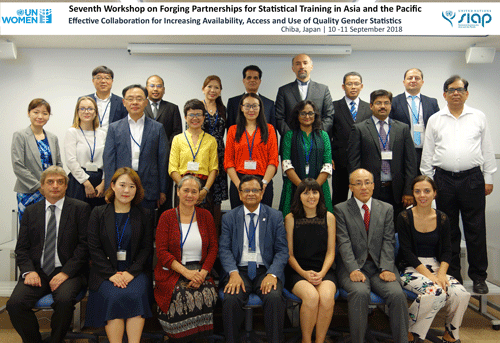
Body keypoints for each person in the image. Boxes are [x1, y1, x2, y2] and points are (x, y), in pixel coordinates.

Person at [420, 75, 497, 294]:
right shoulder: (435, 119)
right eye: (451, 90)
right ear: (444, 94)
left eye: (460, 89)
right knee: (448, 230)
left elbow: (487, 148)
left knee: (475, 229)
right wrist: (428, 184)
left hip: (472, 179)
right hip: (442, 179)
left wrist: (488, 178)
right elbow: (428, 153)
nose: (456, 93)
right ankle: (453, 275)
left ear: (466, 93)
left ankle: (479, 276)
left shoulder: (478, 117)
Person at [7, 166, 90, 343]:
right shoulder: (31, 212)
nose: (55, 186)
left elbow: (84, 247)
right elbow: (21, 248)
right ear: (42, 187)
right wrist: (29, 272)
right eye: (50, 182)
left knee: (64, 300)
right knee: (14, 305)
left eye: (60, 182)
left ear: (66, 186)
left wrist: (65, 273)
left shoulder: (80, 209)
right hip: (37, 272)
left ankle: (56, 340)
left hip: (68, 272)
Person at [334, 168, 409, 343]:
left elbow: (389, 241)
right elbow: (343, 243)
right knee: (359, 293)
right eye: (358, 183)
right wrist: (353, 269)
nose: (364, 187)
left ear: (374, 186)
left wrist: (386, 267)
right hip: (352, 267)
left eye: (368, 182)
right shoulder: (341, 210)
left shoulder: (386, 209)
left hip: (379, 267)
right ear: (350, 187)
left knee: (397, 294)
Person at [397, 175, 470, 343]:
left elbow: (447, 251)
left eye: (427, 191)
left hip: (437, 267)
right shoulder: (404, 217)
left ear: (435, 193)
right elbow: (407, 252)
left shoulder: (442, 218)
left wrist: (442, 274)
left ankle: (450, 334)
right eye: (417, 191)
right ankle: (409, 332)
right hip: (411, 268)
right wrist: (431, 277)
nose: (422, 195)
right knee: (435, 292)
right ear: (413, 194)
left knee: (461, 294)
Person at [85, 167, 153, 343]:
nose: (126, 190)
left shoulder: (144, 214)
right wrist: (112, 275)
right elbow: (94, 249)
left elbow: (146, 249)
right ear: (113, 186)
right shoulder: (98, 213)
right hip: (105, 273)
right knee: (114, 296)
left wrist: (131, 273)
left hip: (134, 272)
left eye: (132, 186)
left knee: (136, 294)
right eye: (122, 185)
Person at [219, 175, 289, 343]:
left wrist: (272, 274)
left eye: (255, 190)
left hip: (265, 270)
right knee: (231, 298)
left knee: (273, 297)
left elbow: (282, 251)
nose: (251, 194)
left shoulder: (275, 216)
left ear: (262, 193)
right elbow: (224, 249)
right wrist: (233, 273)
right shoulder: (229, 217)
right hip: (239, 270)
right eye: (246, 190)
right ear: (240, 194)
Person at [154, 175, 218, 342]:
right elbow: (161, 252)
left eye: (194, 191)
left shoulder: (206, 216)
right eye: (186, 190)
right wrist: (186, 273)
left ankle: (200, 339)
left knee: (206, 293)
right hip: (173, 270)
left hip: (200, 269)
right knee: (180, 295)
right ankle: (177, 338)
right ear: (178, 191)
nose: (190, 195)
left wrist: (203, 273)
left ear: (199, 195)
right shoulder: (167, 217)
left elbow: (213, 249)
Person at [348, 89, 417, 218]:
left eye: (386, 103)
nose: (383, 106)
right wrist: (357, 187)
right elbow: (353, 162)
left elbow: (410, 162)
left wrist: (409, 190)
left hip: (397, 190)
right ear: (371, 106)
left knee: (396, 228)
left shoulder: (402, 128)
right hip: (369, 189)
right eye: (378, 103)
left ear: (391, 105)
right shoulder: (359, 129)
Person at [285, 179, 336, 343]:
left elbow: (330, 252)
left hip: (324, 270)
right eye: (305, 192)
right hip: (298, 271)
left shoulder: (329, 217)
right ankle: (306, 340)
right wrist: (304, 274)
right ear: (299, 196)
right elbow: (289, 255)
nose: (311, 196)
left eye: (314, 192)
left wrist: (321, 273)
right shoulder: (290, 218)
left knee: (327, 297)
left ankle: (319, 341)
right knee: (312, 297)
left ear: (320, 195)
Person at [103, 84, 168, 211]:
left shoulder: (157, 128)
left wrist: (162, 190)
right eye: (130, 98)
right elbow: (109, 160)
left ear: (146, 102)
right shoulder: (114, 128)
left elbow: (163, 161)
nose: (134, 102)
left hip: (149, 187)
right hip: (121, 187)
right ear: (124, 102)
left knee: (146, 227)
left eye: (139, 98)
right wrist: (109, 189)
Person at [11, 98, 63, 222]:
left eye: (45, 113)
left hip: (51, 190)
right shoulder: (20, 135)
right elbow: (17, 165)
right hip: (28, 191)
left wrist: (57, 184)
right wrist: (39, 186)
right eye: (36, 112)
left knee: (49, 226)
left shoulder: (52, 137)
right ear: (29, 113)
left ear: (48, 116)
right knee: (29, 228)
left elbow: (58, 164)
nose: (40, 116)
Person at [279, 100, 333, 217]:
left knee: (322, 222)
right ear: (297, 115)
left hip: (320, 186)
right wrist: (303, 188)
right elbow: (286, 164)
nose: (307, 116)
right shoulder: (289, 135)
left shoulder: (323, 135)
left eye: (310, 113)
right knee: (291, 222)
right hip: (294, 186)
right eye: (303, 113)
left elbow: (327, 164)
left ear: (315, 115)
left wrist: (314, 189)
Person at [225, 93, 279, 209]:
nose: (251, 109)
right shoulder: (233, 130)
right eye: (247, 106)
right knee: (239, 219)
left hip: (263, 180)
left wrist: (264, 184)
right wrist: (239, 185)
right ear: (241, 108)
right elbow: (229, 161)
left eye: (255, 106)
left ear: (260, 108)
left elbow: (273, 160)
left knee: (263, 219)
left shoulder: (269, 129)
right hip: (238, 180)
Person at [169, 99, 218, 218]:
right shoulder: (178, 139)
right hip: (182, 185)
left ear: (203, 117)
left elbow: (214, 169)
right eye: (191, 115)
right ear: (185, 117)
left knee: (203, 222)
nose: (195, 118)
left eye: (198, 115)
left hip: (203, 187)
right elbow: (172, 168)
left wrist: (205, 190)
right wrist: (184, 188)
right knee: (181, 221)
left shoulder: (211, 140)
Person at [330, 72, 372, 206]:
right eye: (349, 84)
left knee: (361, 199)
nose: (353, 87)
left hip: (363, 161)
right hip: (339, 161)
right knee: (339, 198)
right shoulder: (333, 106)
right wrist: (329, 156)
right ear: (343, 86)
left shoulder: (369, 108)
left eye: (356, 84)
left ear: (361, 86)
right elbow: (327, 134)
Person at [144, 74, 183, 210]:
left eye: (159, 86)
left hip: (165, 158)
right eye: (152, 85)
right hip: (145, 156)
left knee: (164, 197)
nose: (156, 89)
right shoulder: (140, 108)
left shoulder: (172, 108)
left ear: (164, 89)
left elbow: (177, 132)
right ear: (146, 88)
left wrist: (164, 147)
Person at [390, 68, 440, 171]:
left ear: (422, 82)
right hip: (402, 152)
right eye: (410, 78)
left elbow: (438, 128)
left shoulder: (432, 102)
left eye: (417, 78)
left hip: (426, 152)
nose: (413, 80)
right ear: (404, 82)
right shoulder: (393, 102)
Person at [275, 54, 334, 137]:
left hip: (317, 141)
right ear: (293, 68)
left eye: (305, 63)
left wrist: (316, 136)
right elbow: (279, 117)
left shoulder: (323, 90)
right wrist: (291, 136)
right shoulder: (284, 90)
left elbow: (329, 116)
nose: (302, 66)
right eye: (298, 64)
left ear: (311, 67)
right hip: (291, 143)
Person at [64, 96, 106, 209]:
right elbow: (71, 161)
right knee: (78, 219)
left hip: (99, 183)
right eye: (82, 108)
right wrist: (86, 183)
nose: (86, 111)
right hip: (79, 181)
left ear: (96, 112)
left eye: (90, 108)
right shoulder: (72, 132)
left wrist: (103, 183)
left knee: (98, 219)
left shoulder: (102, 134)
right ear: (77, 112)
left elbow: (108, 160)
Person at [226, 65, 276, 130]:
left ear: (260, 81)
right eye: (249, 78)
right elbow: (230, 129)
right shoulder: (233, 102)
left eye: (255, 78)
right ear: (244, 81)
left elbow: (273, 131)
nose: (252, 80)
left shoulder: (269, 104)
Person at [83, 65, 128, 131]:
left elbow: (124, 126)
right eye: (98, 78)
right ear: (93, 81)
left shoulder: (121, 102)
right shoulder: (84, 101)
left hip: (113, 140)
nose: (103, 81)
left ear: (112, 81)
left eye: (107, 78)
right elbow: (77, 122)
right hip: (89, 138)